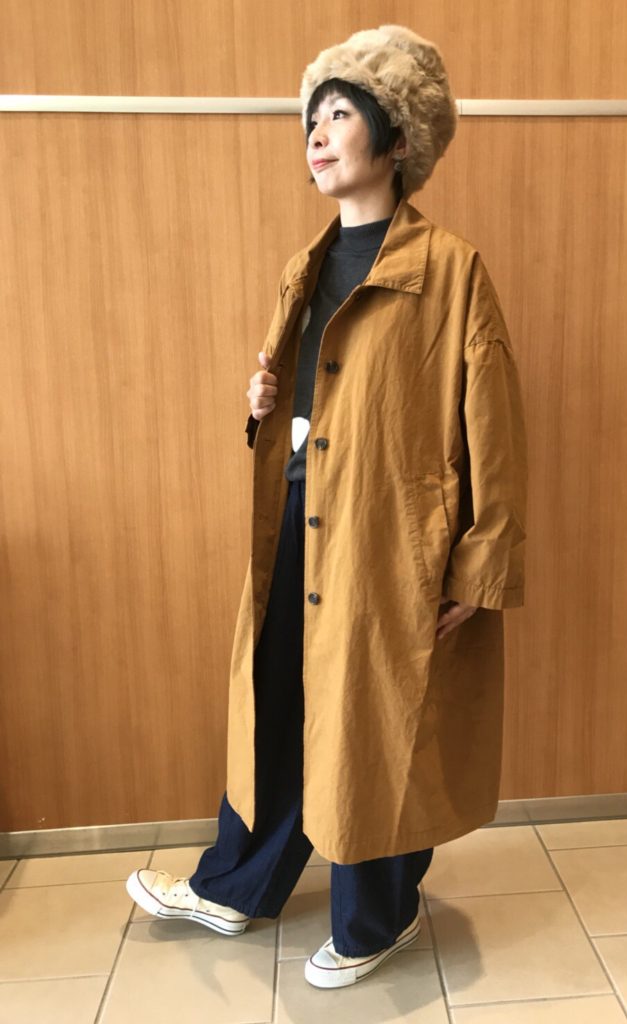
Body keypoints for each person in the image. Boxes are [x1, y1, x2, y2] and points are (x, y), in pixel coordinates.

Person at [126, 24, 527, 990]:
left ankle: (378, 916)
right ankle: (236, 885)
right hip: (298, 518)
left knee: (376, 718)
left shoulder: (451, 269)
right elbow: (316, 397)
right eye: (312, 117)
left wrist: (481, 560)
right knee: (275, 697)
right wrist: (262, 405)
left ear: (398, 139)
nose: (317, 132)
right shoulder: (303, 267)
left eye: (341, 113)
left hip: (388, 538)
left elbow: (496, 424)